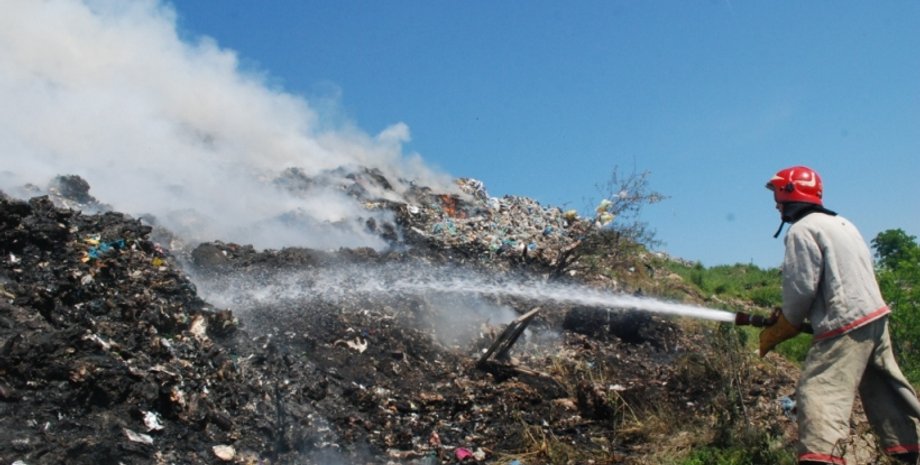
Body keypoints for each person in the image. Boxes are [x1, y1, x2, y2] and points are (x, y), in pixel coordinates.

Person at [759, 165, 920, 465]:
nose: (776, 204)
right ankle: (906, 453)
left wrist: (780, 328)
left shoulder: (802, 230)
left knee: (818, 392)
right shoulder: (843, 224)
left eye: (777, 195)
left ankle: (821, 457)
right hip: (875, 319)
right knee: (886, 392)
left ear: (788, 193)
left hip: (844, 325)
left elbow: (800, 291)